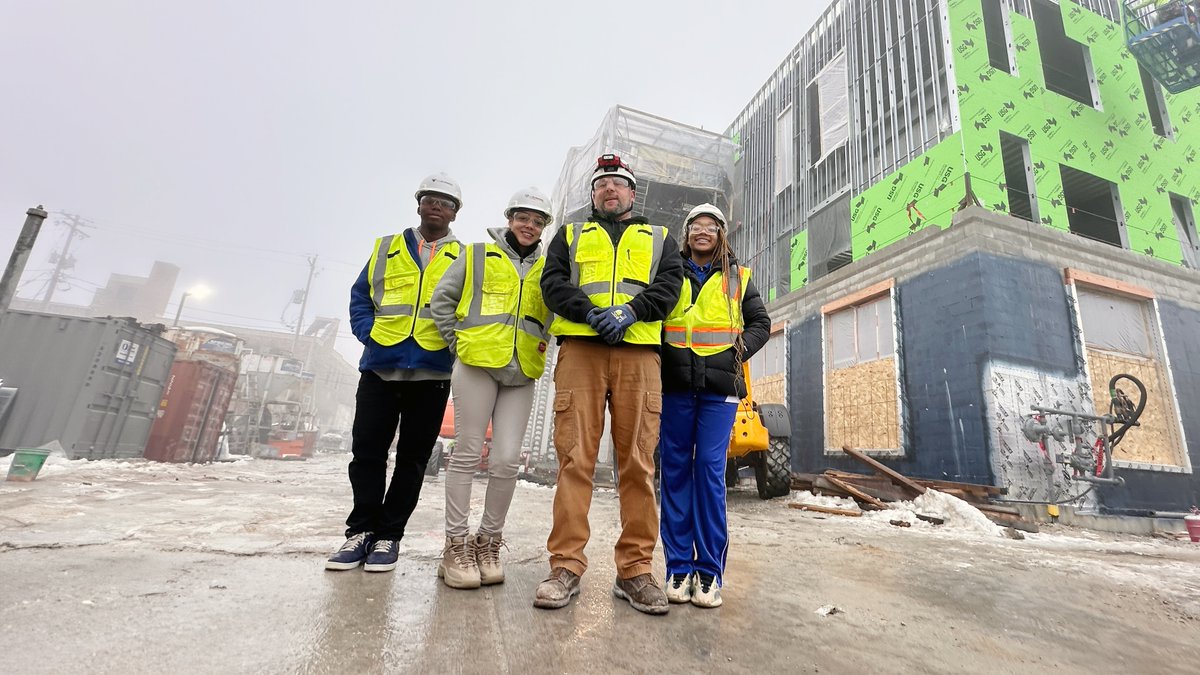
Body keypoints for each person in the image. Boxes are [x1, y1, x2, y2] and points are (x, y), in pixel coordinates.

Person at [533, 154, 683, 615]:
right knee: (575, 458)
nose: (610, 191)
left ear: (633, 194)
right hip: (582, 349)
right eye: (602, 186)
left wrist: (630, 312)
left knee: (638, 462)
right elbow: (552, 283)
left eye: (618, 184)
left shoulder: (660, 239)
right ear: (593, 195)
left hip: (639, 354)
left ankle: (635, 571)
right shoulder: (571, 235)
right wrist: (590, 312)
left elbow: (670, 285)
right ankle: (565, 566)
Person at [325, 173, 463, 573]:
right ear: (418, 203)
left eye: (445, 202)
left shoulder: (465, 256)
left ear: (455, 212)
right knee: (367, 452)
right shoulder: (387, 248)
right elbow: (361, 295)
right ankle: (360, 532)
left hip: (432, 371)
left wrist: (453, 349)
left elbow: (466, 307)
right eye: (430, 199)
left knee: (413, 459)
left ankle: (389, 535)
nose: (436, 206)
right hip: (380, 369)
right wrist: (370, 334)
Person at [429, 187, 555, 590]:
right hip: (477, 365)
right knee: (466, 453)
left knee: (505, 460)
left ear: (543, 227)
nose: (529, 226)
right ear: (509, 218)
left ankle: (488, 541)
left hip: (522, 371)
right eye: (523, 218)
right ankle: (455, 544)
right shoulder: (478, 255)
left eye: (537, 221)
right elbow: (442, 301)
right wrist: (458, 343)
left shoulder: (549, 268)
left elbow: (552, 316)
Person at [657, 203, 770, 608]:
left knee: (708, 470)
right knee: (674, 471)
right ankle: (677, 568)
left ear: (722, 233)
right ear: (687, 233)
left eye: (711, 226)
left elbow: (761, 323)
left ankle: (708, 574)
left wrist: (740, 352)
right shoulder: (669, 272)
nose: (702, 232)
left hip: (720, 389)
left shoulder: (739, 278)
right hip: (674, 386)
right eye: (695, 227)